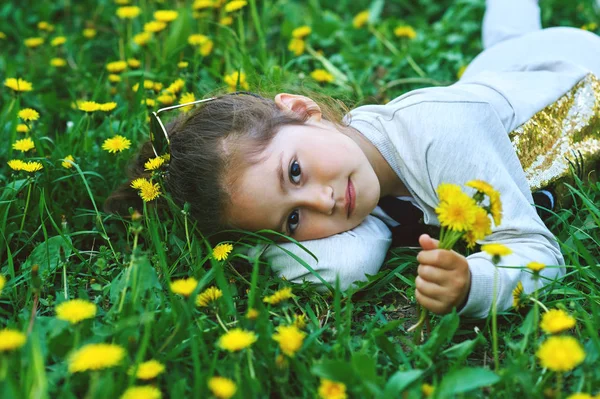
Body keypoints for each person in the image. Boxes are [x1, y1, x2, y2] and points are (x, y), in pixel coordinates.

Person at [106, 0, 600, 319]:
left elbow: (538, 253)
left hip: (577, 70)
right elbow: (341, 268)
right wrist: (254, 246)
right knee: (505, 43)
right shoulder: (350, 178)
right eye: (292, 220)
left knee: (514, 44)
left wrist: (475, 283)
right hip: (493, 78)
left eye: (294, 172)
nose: (323, 202)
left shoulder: (444, 134)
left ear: (301, 110)